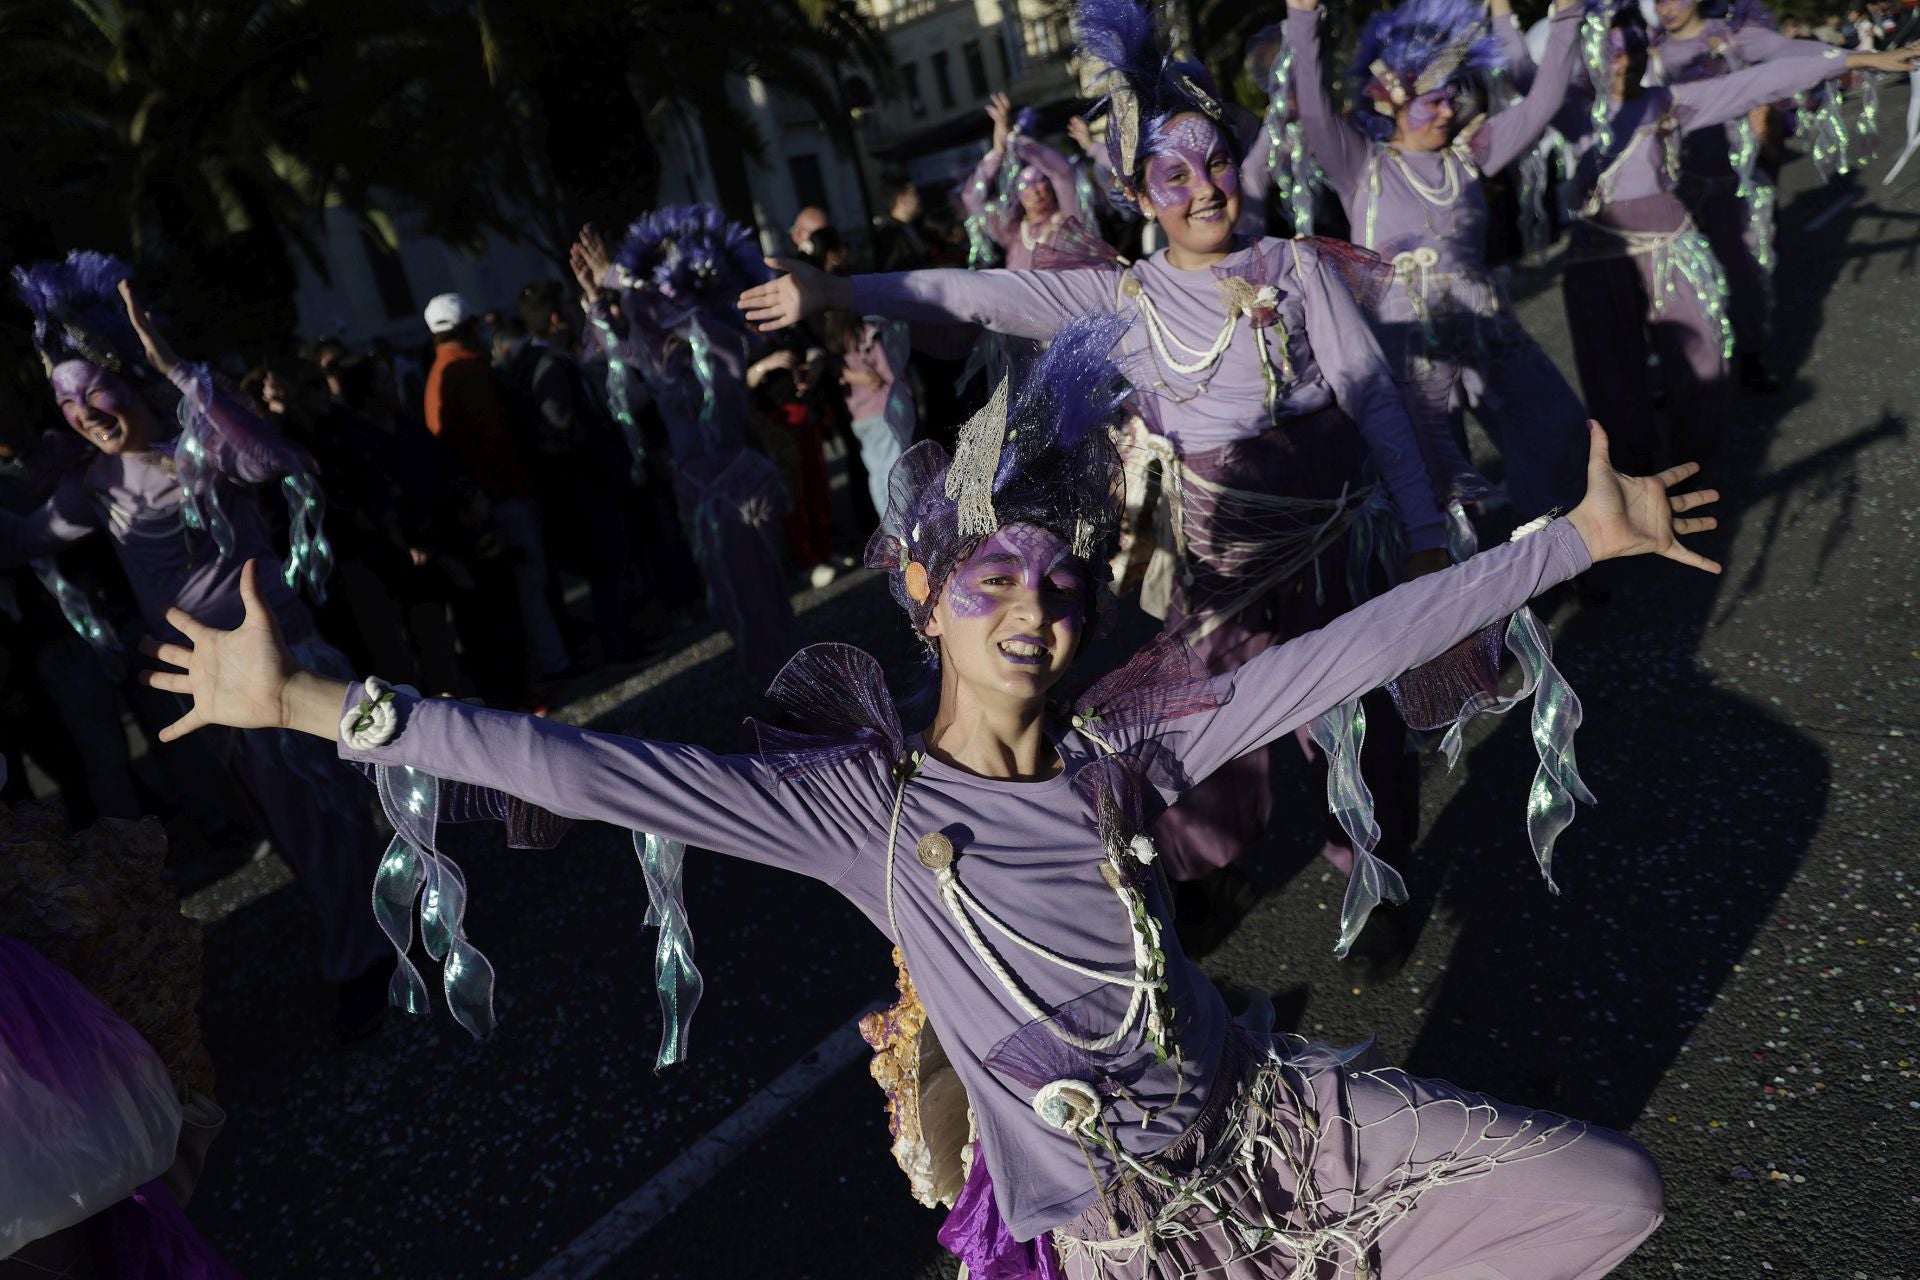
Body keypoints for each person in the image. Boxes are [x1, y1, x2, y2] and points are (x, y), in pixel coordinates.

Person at [141, 311, 1721, 1278]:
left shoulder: (1134, 751)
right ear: (924, 593)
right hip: (1111, 1244)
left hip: (1276, 1124)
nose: (1035, 610)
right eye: (991, 583)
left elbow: (1358, 646)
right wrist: (304, 701)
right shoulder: (862, 810)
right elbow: (585, 765)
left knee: (1609, 1196)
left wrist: (1568, 545)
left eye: (1056, 582)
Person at [742, 0, 1469, 958]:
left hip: (1329, 551)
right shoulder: (1120, 299)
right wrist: (837, 290)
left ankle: (1373, 873)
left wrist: (1422, 537)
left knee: (1358, 711)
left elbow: (1374, 400)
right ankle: (1191, 878)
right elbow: (976, 293)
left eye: (1215, 163)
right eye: (1175, 175)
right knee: (1192, 723)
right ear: (1138, 196)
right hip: (1217, 569)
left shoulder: (1293, 269)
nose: (1205, 188)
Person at [1, 253, 392, 1038]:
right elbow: (25, 540)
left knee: (325, 814)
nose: (81, 413)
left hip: (282, 662)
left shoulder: (199, 448)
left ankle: (365, 960)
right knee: (297, 825)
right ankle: (378, 935)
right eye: (65, 401)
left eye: (93, 391)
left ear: (128, 376)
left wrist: (177, 368)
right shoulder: (95, 486)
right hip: (212, 689)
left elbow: (275, 461)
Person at [1558, 5, 1920, 473]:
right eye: (1611, 52)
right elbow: (1532, 77)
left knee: (1727, 315)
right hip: (1601, 258)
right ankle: (1630, 477)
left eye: (1631, 50)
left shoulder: (1677, 90)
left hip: (1693, 223)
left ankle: (1698, 448)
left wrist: (1859, 60)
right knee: (1613, 377)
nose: (1623, 62)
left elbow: (1759, 79)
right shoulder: (1571, 112)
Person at [1283, 0, 1592, 528]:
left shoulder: (1471, 154)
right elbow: (1314, 110)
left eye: (1451, 96)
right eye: (1432, 100)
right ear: (1393, 103)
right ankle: (1466, 589)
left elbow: (1542, 103)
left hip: (1486, 327)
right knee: (1437, 478)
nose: (1448, 109)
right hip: (1405, 344)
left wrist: (1565, 17)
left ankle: (1562, 542)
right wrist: (1304, 17)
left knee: (1554, 422)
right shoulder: (1363, 166)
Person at [575, 209, 803, 688]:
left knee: (761, 598)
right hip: (700, 496)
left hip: (737, 489)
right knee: (732, 604)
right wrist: (599, 300)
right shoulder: (663, 361)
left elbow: (671, 314)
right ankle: (780, 693)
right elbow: (620, 358)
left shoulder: (716, 337)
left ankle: (795, 699)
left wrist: (620, 280)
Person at [1647, 0, 1852, 393]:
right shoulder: (1650, 53)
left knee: (1744, 273)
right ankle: (1676, 365)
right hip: (1675, 187)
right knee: (1671, 282)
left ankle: (1751, 358)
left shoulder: (1731, 37)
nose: (1667, 7)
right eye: (1658, 0)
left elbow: (1791, 53)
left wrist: (1865, 59)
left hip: (1732, 182)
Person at [421, 291, 572, 684]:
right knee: (529, 585)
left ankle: (546, 663)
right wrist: (512, 490)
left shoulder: (441, 373)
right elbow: (494, 439)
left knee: (525, 587)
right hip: (501, 498)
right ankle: (553, 664)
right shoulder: (466, 371)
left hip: (485, 499)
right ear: (468, 326)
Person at [508, 278, 639, 664]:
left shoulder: (532, 361)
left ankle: (622, 639)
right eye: (566, 308)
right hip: (583, 488)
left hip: (576, 487)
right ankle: (620, 645)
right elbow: (562, 430)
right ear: (555, 318)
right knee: (607, 568)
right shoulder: (548, 366)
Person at [961, 95, 1095, 270]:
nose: (1035, 191)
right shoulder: (1013, 232)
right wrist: (998, 151)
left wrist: (1018, 141)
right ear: (1017, 195)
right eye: (1026, 186)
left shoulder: (1068, 220)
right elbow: (973, 198)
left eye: (1040, 181)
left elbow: (1063, 173)